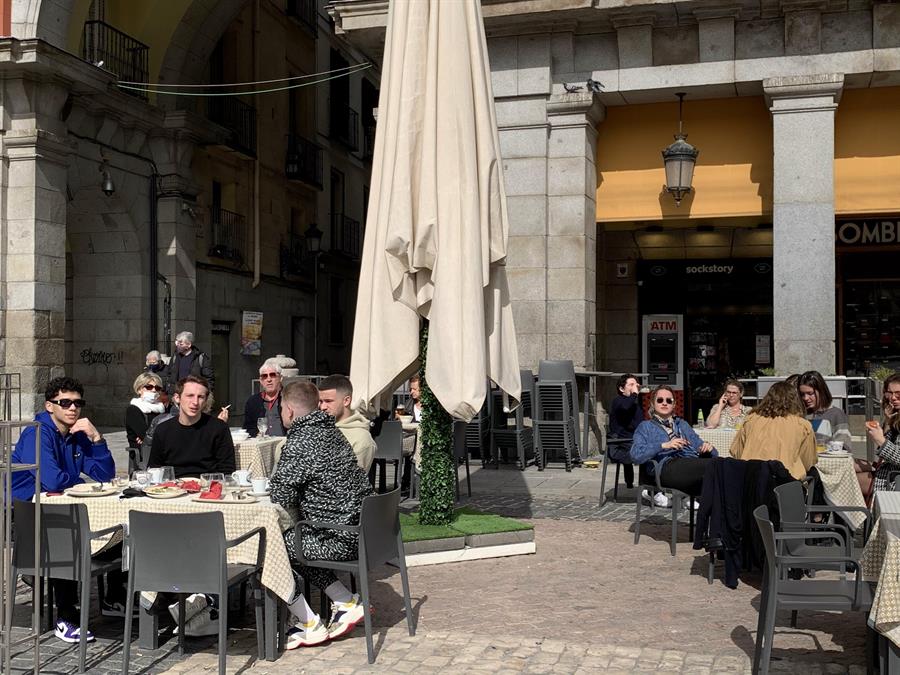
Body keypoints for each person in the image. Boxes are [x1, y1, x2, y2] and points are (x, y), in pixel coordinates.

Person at [10, 376, 122, 643]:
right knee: (68, 535)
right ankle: (66, 616)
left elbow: (105, 475)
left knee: (119, 525)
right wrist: (79, 480)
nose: (73, 408)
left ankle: (115, 596)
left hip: (58, 507)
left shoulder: (77, 434)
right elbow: (52, 479)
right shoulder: (38, 432)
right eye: (65, 403)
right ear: (50, 406)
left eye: (77, 403)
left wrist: (96, 438)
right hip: (22, 510)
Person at [269, 380, 374, 649]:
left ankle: (307, 622)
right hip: (362, 531)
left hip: (338, 538)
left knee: (274, 544)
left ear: (289, 410)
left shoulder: (300, 442)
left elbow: (281, 497)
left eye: (281, 408)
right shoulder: (332, 431)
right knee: (297, 540)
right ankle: (344, 601)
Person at [630, 385, 718, 502]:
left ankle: (698, 500)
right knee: (714, 467)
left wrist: (708, 447)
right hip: (666, 467)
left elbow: (703, 447)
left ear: (674, 404)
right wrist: (664, 445)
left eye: (669, 400)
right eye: (660, 400)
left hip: (689, 462)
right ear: (653, 403)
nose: (665, 403)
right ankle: (693, 499)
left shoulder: (682, 424)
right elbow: (635, 455)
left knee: (722, 465)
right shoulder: (646, 426)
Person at [147, 375, 235, 478]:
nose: (195, 402)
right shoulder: (163, 430)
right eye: (190, 396)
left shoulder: (219, 428)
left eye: (200, 397)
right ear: (177, 398)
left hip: (208, 487)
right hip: (172, 489)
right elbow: (154, 468)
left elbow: (227, 470)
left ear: (205, 401)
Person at [729, 381, 817, 480]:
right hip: (785, 484)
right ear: (795, 400)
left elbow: (736, 452)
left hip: (751, 481)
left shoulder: (750, 419)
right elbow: (808, 462)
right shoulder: (803, 425)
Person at [318, 374, 376, 472]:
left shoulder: (361, 439)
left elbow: (353, 481)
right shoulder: (316, 428)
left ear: (346, 401)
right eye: (320, 401)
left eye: (328, 401)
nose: (322, 407)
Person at [798, 370, 853, 451]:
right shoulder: (801, 414)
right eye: (802, 394)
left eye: (810, 393)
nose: (805, 398)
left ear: (821, 391)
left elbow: (844, 445)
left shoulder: (836, 414)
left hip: (828, 462)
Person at [607, 373, 643, 490]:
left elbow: (639, 424)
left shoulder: (634, 404)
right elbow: (624, 407)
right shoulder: (618, 401)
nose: (634, 387)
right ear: (622, 389)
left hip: (631, 441)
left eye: (635, 384)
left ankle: (649, 488)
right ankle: (650, 490)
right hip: (619, 444)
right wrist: (634, 394)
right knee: (650, 453)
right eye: (631, 385)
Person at [125, 372, 166, 472]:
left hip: (163, 452)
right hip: (143, 457)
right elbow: (145, 435)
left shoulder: (162, 409)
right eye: (148, 387)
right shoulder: (134, 410)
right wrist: (147, 439)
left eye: (157, 388)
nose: (153, 390)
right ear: (139, 389)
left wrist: (149, 439)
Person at [869, 374, 900, 492]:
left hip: (894, 479)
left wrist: (881, 440)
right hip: (888, 472)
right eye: (889, 393)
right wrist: (888, 422)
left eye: (898, 393)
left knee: (848, 481)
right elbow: (882, 455)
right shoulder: (896, 415)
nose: (893, 398)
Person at [243, 362, 285, 438]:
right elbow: (248, 428)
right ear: (261, 381)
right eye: (264, 376)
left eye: (272, 375)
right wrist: (256, 434)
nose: (269, 379)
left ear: (280, 378)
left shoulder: (288, 398)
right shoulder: (253, 401)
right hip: (262, 444)